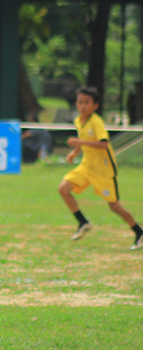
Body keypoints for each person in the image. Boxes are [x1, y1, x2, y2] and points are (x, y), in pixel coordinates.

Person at [59, 86, 143, 251]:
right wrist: (74, 152)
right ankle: (83, 222)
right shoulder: (78, 120)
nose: (82, 106)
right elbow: (84, 139)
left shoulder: (96, 122)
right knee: (63, 188)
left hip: (103, 171)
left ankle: (139, 232)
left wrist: (79, 144)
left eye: (87, 103)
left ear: (95, 105)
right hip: (86, 166)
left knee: (114, 206)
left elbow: (103, 144)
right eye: (80, 102)